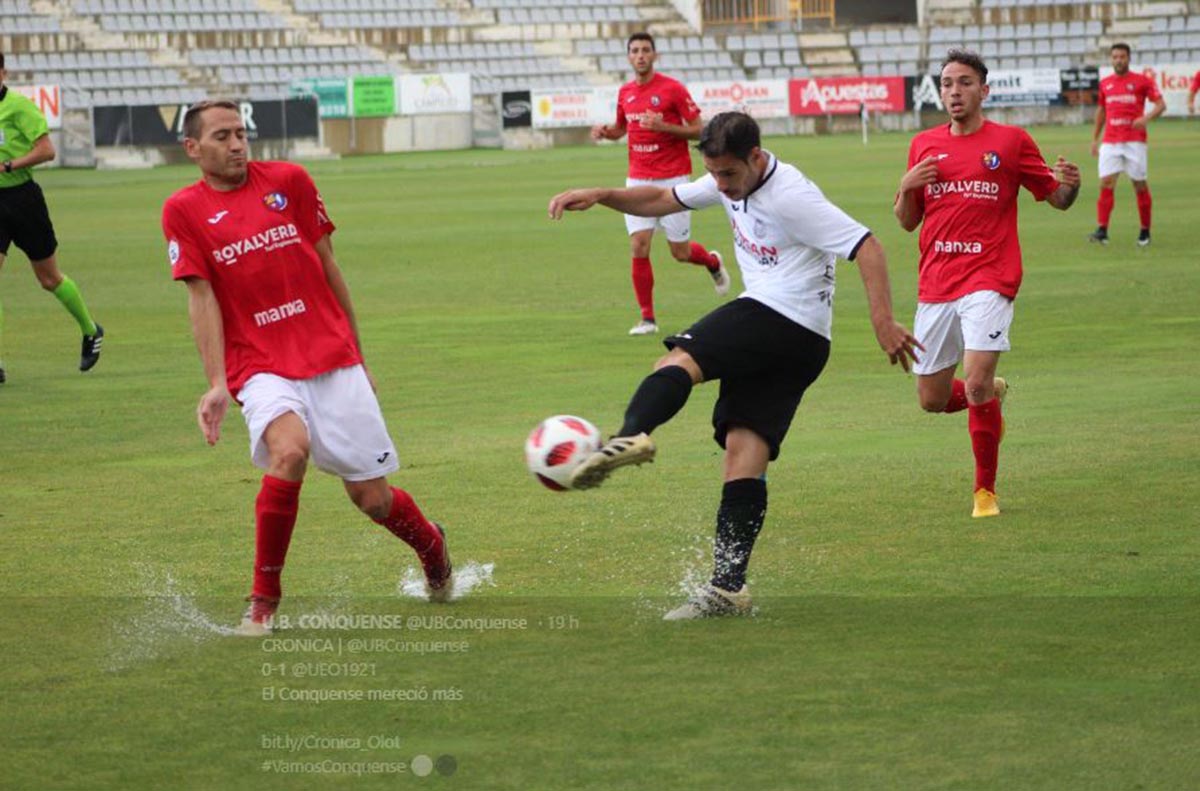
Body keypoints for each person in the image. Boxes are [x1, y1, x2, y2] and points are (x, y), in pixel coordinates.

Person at [549, 111, 921, 619]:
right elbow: (663, 198)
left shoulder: (790, 195)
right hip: (805, 342)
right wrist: (601, 193)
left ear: (756, 156)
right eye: (715, 174)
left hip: (779, 316)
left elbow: (867, 245)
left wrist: (883, 321)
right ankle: (728, 589)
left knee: (678, 359)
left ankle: (630, 434)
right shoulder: (727, 177)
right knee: (744, 454)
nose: (721, 185)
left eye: (728, 175)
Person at [161, 100, 452, 636]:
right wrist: (218, 384)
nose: (236, 144)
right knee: (288, 451)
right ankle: (263, 602)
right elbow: (200, 299)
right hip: (260, 364)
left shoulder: (290, 180)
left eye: (240, 133)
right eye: (221, 136)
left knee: (372, 498)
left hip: (330, 353)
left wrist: (358, 357)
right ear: (192, 148)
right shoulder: (183, 211)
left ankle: (432, 546)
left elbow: (329, 264)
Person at [894, 50, 1080, 518]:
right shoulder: (922, 145)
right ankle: (992, 394)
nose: (954, 91)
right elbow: (906, 221)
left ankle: (985, 493)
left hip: (990, 277)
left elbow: (1056, 199)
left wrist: (1071, 185)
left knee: (973, 385)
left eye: (964, 83)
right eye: (947, 83)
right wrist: (906, 184)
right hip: (936, 281)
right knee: (931, 400)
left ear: (984, 90)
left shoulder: (1012, 141)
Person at [591, 32, 730, 336]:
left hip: (673, 178)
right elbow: (621, 128)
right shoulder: (625, 92)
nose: (640, 55)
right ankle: (647, 319)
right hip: (638, 178)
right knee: (639, 245)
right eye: (635, 51)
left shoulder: (672, 89)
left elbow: (699, 130)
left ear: (655, 55)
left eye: (645, 50)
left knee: (679, 252)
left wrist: (664, 126)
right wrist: (606, 132)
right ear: (629, 57)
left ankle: (711, 261)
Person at [0, 52, 104, 383]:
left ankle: (90, 329)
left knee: (49, 279)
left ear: (3, 72)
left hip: (23, 199)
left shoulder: (18, 107)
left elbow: (46, 151)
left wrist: (7, 165)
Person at [1088, 43, 1164, 247]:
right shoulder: (1105, 84)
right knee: (1106, 183)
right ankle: (1102, 230)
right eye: (1115, 57)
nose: (1118, 60)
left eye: (1122, 56)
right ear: (1111, 59)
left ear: (1129, 58)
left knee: (1139, 185)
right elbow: (1101, 111)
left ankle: (1145, 232)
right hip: (1111, 141)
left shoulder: (1142, 81)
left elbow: (1160, 105)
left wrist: (1145, 119)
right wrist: (1095, 139)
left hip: (1134, 142)